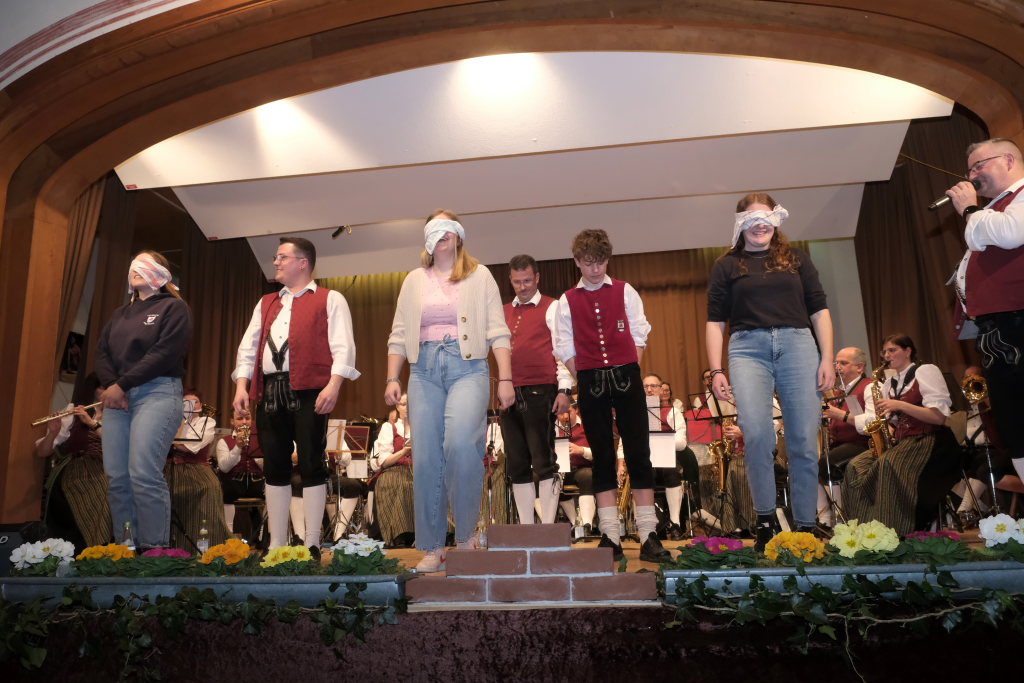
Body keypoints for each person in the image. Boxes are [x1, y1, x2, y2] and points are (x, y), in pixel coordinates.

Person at [385, 209, 514, 573]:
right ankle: (433, 547)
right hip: (423, 370)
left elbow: (498, 330)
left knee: (459, 445)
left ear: (458, 235)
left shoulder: (479, 275)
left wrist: (505, 378)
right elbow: (399, 333)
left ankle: (466, 536)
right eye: (434, 229)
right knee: (426, 456)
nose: (441, 235)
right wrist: (392, 377)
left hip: (467, 366)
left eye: (447, 228)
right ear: (426, 237)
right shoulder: (413, 280)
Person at [706, 192, 835, 551]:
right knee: (757, 436)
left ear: (776, 221)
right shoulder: (726, 265)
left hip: (798, 345)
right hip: (747, 349)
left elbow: (819, 309)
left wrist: (827, 357)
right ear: (740, 224)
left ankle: (806, 524)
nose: (760, 224)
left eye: (766, 217)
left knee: (803, 440)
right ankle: (765, 521)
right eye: (751, 218)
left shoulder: (797, 259)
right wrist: (715, 370)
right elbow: (715, 321)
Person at [233, 236, 359, 557]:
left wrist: (334, 385)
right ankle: (276, 544)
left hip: (311, 391)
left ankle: (312, 542)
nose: (275, 262)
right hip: (270, 390)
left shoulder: (330, 299)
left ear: (303, 263)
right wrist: (241, 386)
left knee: (311, 463)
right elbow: (249, 347)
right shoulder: (266, 302)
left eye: (282, 257)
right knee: (274, 465)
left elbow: (343, 346)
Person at [553, 229, 670, 564]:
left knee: (639, 453)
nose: (595, 269)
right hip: (590, 380)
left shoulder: (625, 290)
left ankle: (648, 535)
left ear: (608, 259)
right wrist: (584, 375)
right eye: (589, 263)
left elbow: (639, 331)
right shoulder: (566, 301)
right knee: (602, 456)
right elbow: (563, 344)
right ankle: (610, 536)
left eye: (601, 262)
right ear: (577, 262)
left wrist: (629, 368)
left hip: (626, 375)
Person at [95, 250, 192, 550]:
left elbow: (164, 353)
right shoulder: (119, 315)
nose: (134, 269)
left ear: (161, 274)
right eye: (132, 265)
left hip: (157, 393)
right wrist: (112, 386)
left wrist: (122, 385)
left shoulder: (174, 308)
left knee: (143, 473)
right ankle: (125, 548)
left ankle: (153, 550)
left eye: (143, 264)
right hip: (119, 399)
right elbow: (102, 354)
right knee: (117, 477)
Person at [945, 137, 1024, 488]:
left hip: (1018, 318)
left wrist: (969, 210)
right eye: (970, 170)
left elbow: (1010, 234)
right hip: (998, 327)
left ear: (1009, 160)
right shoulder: (993, 209)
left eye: (980, 165)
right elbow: (981, 242)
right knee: (1014, 425)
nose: (972, 175)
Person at [843, 334, 961, 534]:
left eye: (892, 350)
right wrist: (889, 424)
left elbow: (939, 417)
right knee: (855, 466)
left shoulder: (925, 371)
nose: (887, 355)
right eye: (884, 352)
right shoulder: (890, 383)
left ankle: (895, 530)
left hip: (930, 440)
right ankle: (863, 529)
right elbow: (896, 421)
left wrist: (899, 405)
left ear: (908, 351)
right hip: (903, 442)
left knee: (887, 464)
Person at [500, 254, 573, 525]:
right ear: (510, 280)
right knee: (517, 462)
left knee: (543, 461)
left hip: (541, 390)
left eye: (527, 280)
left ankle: (549, 526)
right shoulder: (502, 311)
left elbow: (563, 348)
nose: (523, 286)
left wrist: (565, 389)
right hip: (508, 392)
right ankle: (527, 526)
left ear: (537, 278)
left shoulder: (552, 307)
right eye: (517, 282)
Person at [34, 374, 113, 548]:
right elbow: (42, 452)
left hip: (109, 470)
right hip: (79, 470)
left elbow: (117, 446)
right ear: (92, 389)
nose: (108, 392)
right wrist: (53, 432)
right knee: (104, 492)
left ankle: (108, 549)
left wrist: (92, 423)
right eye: (103, 387)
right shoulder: (73, 411)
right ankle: (96, 547)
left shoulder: (119, 415)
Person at [166, 389, 229, 549]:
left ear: (201, 406)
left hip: (197, 471)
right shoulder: (171, 421)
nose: (191, 406)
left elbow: (190, 446)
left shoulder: (206, 422)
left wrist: (171, 441)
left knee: (208, 489)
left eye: (195, 402)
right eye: (186, 403)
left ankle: (207, 548)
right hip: (171, 470)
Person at [818, 347, 871, 527]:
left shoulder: (869, 386)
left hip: (864, 443)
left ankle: (842, 518)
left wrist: (840, 415)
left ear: (860, 367)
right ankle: (825, 519)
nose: (838, 367)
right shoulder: (840, 392)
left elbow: (870, 423)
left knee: (826, 463)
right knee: (810, 465)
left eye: (844, 363)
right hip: (843, 444)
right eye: (836, 363)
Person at [642, 373, 691, 540]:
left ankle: (675, 523)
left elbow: (681, 443)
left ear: (660, 389)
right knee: (642, 473)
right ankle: (650, 526)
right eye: (645, 386)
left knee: (671, 469)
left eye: (653, 386)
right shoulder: (635, 412)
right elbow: (624, 442)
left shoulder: (673, 412)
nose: (649, 390)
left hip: (667, 458)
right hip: (645, 460)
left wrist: (658, 440)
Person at [370, 393, 415, 547]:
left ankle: (440, 532)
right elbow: (384, 461)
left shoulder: (423, 427)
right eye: (403, 404)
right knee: (402, 483)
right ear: (397, 406)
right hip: (394, 470)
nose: (407, 407)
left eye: (411, 403)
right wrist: (404, 451)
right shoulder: (389, 427)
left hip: (418, 470)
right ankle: (400, 533)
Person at [215, 409, 265, 538]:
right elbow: (224, 468)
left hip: (256, 482)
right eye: (239, 419)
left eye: (247, 418)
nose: (244, 422)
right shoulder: (224, 441)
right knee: (228, 488)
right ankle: (229, 534)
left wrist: (259, 455)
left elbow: (266, 468)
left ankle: (263, 535)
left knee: (272, 489)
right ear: (232, 421)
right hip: (234, 484)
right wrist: (237, 447)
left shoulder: (260, 439)